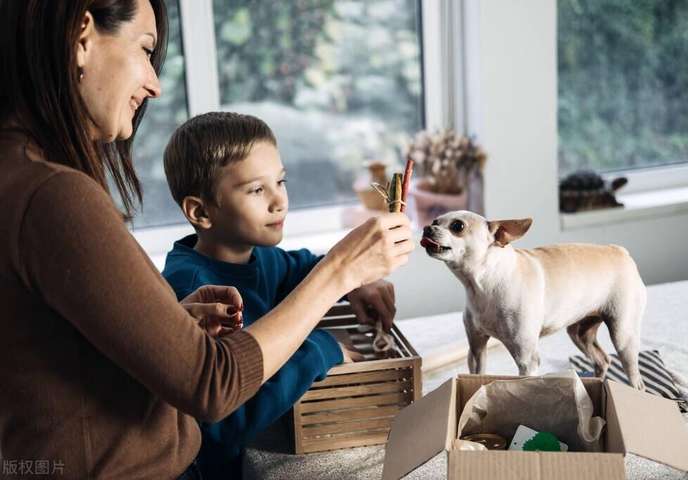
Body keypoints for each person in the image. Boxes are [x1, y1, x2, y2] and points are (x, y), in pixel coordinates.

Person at [0, 1, 414, 479]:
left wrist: (168, 324)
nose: (154, 85)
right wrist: (341, 272)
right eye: (145, 49)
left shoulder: (17, 177)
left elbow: (54, 353)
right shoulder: (53, 196)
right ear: (82, 36)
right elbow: (213, 386)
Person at [161, 112, 397, 478]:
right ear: (200, 211)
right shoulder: (193, 287)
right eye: (257, 190)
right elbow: (227, 418)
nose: (280, 201)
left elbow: (306, 271)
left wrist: (356, 284)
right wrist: (324, 347)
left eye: (281, 181)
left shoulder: (258, 255)